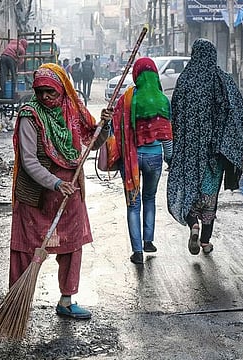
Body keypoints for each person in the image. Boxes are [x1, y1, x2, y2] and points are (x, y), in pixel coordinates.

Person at [10, 63, 113, 319]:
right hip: (37, 192)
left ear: (61, 91)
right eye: (41, 91)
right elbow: (29, 160)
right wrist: (55, 183)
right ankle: (16, 302)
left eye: (51, 92)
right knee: (26, 248)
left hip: (70, 190)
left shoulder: (72, 108)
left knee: (71, 244)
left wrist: (105, 126)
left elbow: (92, 140)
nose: (45, 97)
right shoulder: (29, 115)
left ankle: (66, 300)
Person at [167, 38, 243, 255]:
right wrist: (228, 144)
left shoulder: (185, 80)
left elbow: (174, 115)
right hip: (214, 152)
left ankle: (193, 223)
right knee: (210, 195)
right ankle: (205, 241)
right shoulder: (221, 79)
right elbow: (236, 111)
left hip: (188, 150)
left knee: (191, 188)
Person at [108, 57, 173, 265]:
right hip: (155, 157)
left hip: (132, 157)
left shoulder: (127, 98)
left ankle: (137, 251)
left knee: (133, 204)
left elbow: (115, 127)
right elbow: (166, 135)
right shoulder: (162, 100)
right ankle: (148, 240)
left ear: (136, 75)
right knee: (150, 198)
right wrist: (170, 159)